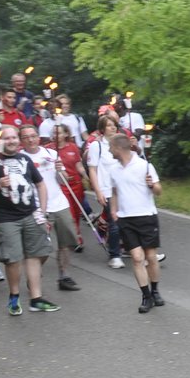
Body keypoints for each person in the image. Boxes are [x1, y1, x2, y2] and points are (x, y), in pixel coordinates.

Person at [0, 125, 57, 315]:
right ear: (0, 140)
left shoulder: (24, 159)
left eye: (13, 138)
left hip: (30, 213)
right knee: (13, 259)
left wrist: (42, 211)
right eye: (7, 138)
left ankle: (36, 298)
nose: (11, 141)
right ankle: (14, 297)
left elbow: (41, 184)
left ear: (18, 140)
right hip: (6, 218)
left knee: (35, 255)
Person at [102, 134, 164, 313]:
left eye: (110, 147)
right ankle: (146, 296)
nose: (109, 150)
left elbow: (159, 191)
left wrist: (152, 185)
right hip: (126, 218)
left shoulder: (145, 166)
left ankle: (155, 290)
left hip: (146, 216)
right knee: (137, 258)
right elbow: (114, 192)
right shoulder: (113, 170)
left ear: (118, 148)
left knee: (151, 257)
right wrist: (113, 211)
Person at [19, 126, 79, 292]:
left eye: (33, 136)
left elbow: (64, 180)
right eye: (26, 137)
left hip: (59, 203)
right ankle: (34, 275)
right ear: (21, 140)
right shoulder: (20, 158)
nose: (31, 140)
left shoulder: (51, 154)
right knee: (40, 247)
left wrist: (60, 171)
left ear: (38, 137)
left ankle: (64, 276)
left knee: (65, 242)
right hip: (36, 207)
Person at [85, 112, 125, 269]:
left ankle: (140, 249)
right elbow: (92, 170)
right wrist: (98, 191)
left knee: (130, 219)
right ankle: (114, 255)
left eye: (114, 123)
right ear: (102, 128)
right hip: (107, 191)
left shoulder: (120, 143)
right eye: (109, 125)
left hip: (123, 189)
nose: (113, 127)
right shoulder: (97, 146)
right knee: (115, 222)